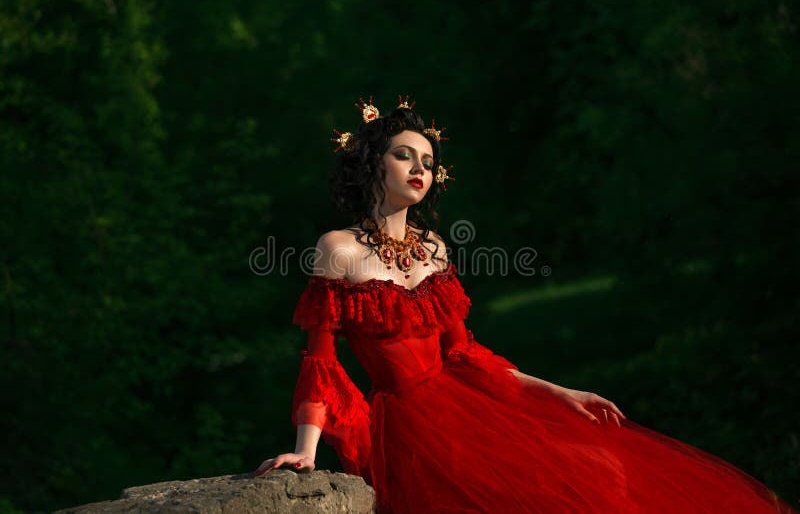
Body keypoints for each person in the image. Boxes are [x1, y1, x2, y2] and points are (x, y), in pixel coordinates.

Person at [254, 95, 796, 513]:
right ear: (375, 163)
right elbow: (321, 363)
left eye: (427, 160)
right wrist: (306, 451)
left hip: (470, 405)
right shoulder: (338, 249)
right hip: (411, 427)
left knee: (594, 471)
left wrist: (561, 393)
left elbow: (465, 355)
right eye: (403, 155)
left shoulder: (435, 249)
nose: (419, 168)